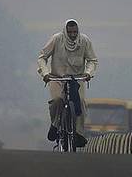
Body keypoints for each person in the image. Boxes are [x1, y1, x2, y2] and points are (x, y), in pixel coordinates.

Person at [37, 19, 98, 147]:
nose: (72, 35)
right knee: (58, 100)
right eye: (69, 32)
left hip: (77, 79)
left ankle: (78, 133)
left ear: (78, 31)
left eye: (75, 32)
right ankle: (54, 124)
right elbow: (42, 57)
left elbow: (92, 60)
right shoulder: (56, 39)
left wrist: (88, 73)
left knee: (80, 102)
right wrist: (45, 73)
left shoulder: (84, 41)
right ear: (65, 31)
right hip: (57, 78)